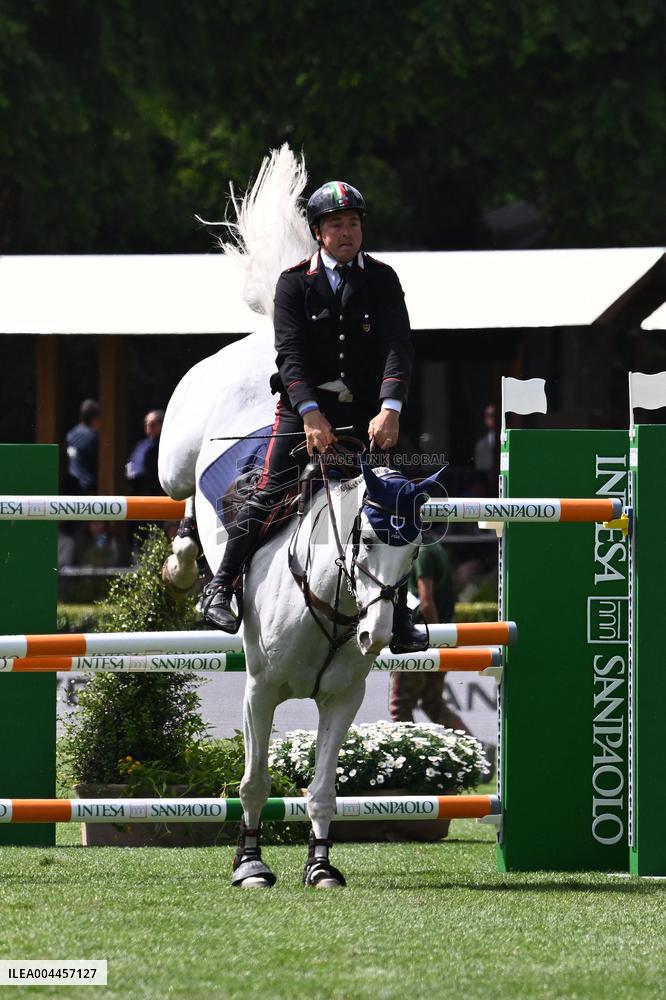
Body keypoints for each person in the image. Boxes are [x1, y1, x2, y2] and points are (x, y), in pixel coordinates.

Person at [201, 179, 425, 652]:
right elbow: (291, 356)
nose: (347, 232)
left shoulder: (383, 279)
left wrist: (391, 407)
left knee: (400, 499)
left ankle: (399, 613)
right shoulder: (293, 283)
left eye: (354, 223)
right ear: (319, 232)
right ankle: (219, 587)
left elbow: (398, 348)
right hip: (303, 410)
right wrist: (309, 412)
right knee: (269, 491)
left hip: (368, 414)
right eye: (337, 224)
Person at [389, 540, 471, 732]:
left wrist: (434, 638)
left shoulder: (422, 551)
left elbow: (426, 602)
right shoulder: (437, 548)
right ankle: (476, 750)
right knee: (434, 704)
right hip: (441, 636)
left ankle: (410, 760)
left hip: (420, 638)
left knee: (400, 707)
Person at [65, 399, 100, 494]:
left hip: (71, 485)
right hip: (88, 488)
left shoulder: (71, 434)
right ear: (94, 418)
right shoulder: (92, 436)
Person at [126, 409, 164, 495]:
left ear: (162, 425)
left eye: (152, 424)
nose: (148, 427)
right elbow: (132, 466)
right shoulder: (142, 445)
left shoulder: (165, 445)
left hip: (158, 491)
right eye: (146, 424)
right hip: (139, 489)